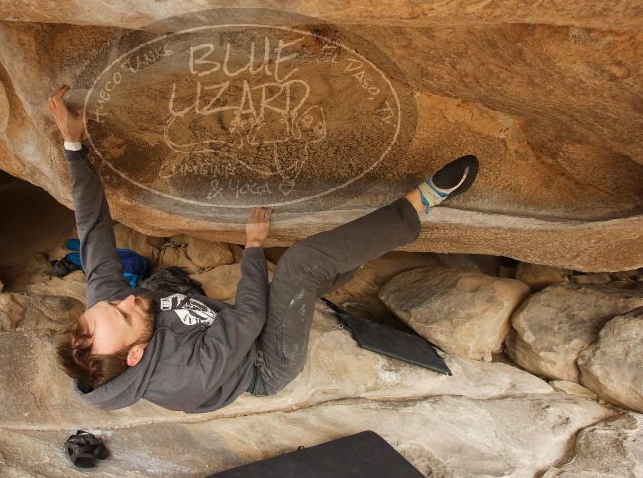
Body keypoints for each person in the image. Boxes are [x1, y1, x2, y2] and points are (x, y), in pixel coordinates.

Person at [48, 85, 478, 413]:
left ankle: (343, 259)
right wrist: (253, 247)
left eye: (109, 303)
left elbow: (93, 231)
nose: (124, 297)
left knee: (161, 282)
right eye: (125, 313)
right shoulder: (187, 378)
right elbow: (249, 317)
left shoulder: (104, 320)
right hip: (259, 362)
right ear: (137, 355)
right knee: (299, 267)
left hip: (205, 328)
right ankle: (420, 205)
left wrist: (73, 147)